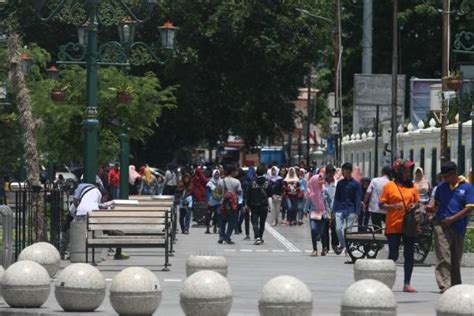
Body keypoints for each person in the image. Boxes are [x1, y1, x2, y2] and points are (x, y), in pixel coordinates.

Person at [428, 161, 474, 293]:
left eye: (447, 176)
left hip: (458, 226)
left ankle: (455, 285)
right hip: (441, 224)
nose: (444, 179)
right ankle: (444, 285)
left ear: (454, 174)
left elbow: (469, 209)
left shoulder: (467, 187)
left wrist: (452, 219)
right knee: (444, 254)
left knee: (456, 256)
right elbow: (436, 204)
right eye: (443, 176)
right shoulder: (441, 187)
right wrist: (431, 209)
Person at [379, 159, 419, 293]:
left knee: (409, 254)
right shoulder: (389, 186)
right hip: (393, 225)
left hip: (409, 224)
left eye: (409, 171)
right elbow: (381, 205)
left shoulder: (413, 186)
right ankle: (386, 281)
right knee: (393, 254)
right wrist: (393, 207)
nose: (408, 173)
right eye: (406, 171)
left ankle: (407, 283)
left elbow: (418, 202)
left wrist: (415, 205)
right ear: (398, 172)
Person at [333, 163, 361, 254]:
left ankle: (347, 249)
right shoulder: (340, 183)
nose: (343, 172)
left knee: (348, 231)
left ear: (349, 171)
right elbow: (336, 197)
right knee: (338, 228)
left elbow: (357, 198)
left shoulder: (356, 184)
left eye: (344, 170)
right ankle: (344, 245)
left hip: (350, 209)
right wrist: (334, 210)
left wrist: (357, 212)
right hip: (340, 208)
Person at [246, 166, 272, 245]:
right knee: (262, 222)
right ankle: (260, 237)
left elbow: (248, 194)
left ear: (256, 173)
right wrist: (270, 206)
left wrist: (247, 204)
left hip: (254, 206)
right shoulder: (267, 183)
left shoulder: (252, 182)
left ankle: (257, 237)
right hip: (264, 206)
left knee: (254, 222)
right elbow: (270, 195)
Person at [218, 165, 242, 244]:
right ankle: (227, 237)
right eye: (236, 171)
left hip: (222, 204)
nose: (237, 172)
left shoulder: (221, 181)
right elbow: (239, 192)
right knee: (232, 221)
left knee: (222, 221)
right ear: (232, 172)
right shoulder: (237, 181)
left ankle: (221, 236)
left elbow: (217, 193)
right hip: (233, 205)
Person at [307, 173, 328, 256]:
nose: (320, 181)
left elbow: (328, 202)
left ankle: (324, 247)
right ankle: (315, 249)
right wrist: (305, 210)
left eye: (321, 179)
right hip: (313, 213)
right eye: (318, 179)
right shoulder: (310, 191)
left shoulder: (324, 190)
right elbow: (307, 202)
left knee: (322, 232)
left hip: (323, 213)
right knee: (313, 230)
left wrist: (329, 212)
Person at [365, 166, 392, 230]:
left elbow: (368, 192)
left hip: (374, 209)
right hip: (386, 209)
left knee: (377, 229)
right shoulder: (391, 183)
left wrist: (365, 203)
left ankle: (378, 239)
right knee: (388, 228)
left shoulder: (375, 180)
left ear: (382, 172)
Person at [322, 164, 340, 254]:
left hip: (335, 208)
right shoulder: (322, 183)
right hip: (324, 208)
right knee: (324, 228)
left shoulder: (337, 183)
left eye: (332, 172)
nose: (331, 175)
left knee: (335, 227)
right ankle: (325, 247)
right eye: (329, 173)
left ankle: (335, 245)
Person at [238, 167, 255, 239]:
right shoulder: (254, 181)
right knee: (254, 219)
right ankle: (256, 234)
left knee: (246, 218)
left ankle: (247, 234)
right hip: (253, 201)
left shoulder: (242, 181)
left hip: (245, 200)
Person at [206, 169, 223, 234]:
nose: (217, 175)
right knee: (208, 215)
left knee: (218, 215)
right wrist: (207, 201)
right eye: (215, 174)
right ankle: (207, 228)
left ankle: (217, 227)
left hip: (218, 202)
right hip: (211, 202)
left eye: (218, 174)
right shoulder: (209, 183)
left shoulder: (221, 182)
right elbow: (207, 193)